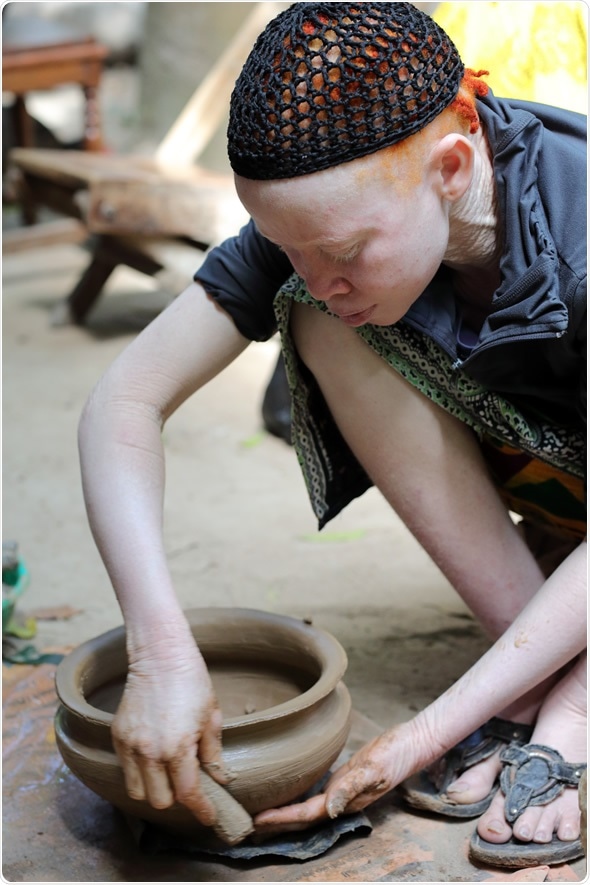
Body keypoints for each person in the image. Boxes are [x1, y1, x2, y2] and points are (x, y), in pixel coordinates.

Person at [77, 2, 586, 869]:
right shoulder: (331, 216)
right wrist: (160, 650)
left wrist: (425, 732)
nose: (319, 273)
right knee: (320, 321)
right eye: (289, 245)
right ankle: (531, 665)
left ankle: (574, 709)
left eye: (344, 250)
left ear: (452, 165)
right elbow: (123, 403)